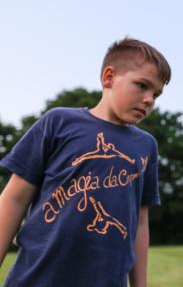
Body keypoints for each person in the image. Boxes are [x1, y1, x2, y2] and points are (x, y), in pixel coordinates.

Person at [0, 37, 171, 286]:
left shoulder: (146, 146)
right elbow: (14, 199)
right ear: (109, 77)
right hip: (37, 277)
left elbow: (140, 222)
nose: (149, 100)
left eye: (156, 94)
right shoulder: (58, 123)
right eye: (142, 85)